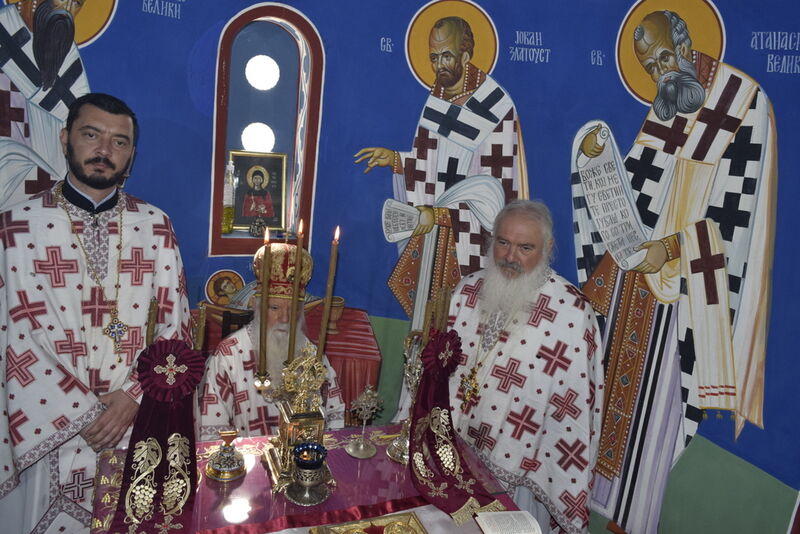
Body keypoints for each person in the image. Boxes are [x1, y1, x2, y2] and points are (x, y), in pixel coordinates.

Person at [572, 10, 776, 534]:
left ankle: (632, 522)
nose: (661, 71)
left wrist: (670, 249)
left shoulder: (744, 103)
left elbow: (735, 225)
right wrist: (593, 159)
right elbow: (635, 186)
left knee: (653, 427)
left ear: (686, 44)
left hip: (685, 299)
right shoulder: (669, 100)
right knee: (604, 410)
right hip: (633, 287)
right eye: (650, 66)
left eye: (666, 57)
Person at [0, 93, 192, 533]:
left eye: (119, 142)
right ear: (66, 138)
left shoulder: (156, 227)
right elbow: (12, 335)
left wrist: (132, 396)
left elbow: (175, 329)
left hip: (133, 421)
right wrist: (80, 412)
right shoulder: (17, 228)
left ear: (131, 154)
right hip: (46, 429)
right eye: (91, 135)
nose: (104, 149)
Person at [447, 200, 604, 534]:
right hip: (457, 449)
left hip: (521, 462)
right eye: (503, 242)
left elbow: (574, 408)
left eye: (525, 247)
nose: (510, 256)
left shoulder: (572, 312)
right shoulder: (468, 290)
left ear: (547, 248)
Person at [355, 15, 526, 283]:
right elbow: (430, 164)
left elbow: (494, 194)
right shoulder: (438, 98)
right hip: (435, 232)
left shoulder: (495, 105)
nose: (438, 65)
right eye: (434, 57)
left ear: (465, 56)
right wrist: (396, 160)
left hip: (471, 241)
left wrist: (440, 214)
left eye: (446, 56)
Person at [199, 243, 345, 440]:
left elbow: (335, 413)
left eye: (293, 310)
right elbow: (212, 429)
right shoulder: (229, 354)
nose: (284, 319)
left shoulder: (311, 353)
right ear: (257, 307)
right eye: (274, 308)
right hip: (246, 455)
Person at [0, 0, 91, 209]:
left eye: (76, 2)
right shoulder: (4, 28)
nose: (66, 6)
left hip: (51, 196)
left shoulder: (65, 51)